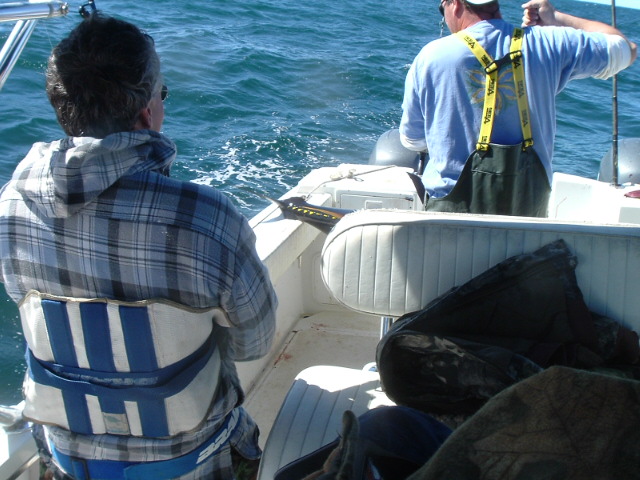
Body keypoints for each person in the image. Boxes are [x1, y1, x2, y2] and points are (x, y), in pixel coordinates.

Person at [0, 13, 277, 480]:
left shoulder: (8, 207)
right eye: (162, 94)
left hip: (69, 462)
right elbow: (255, 342)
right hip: (192, 460)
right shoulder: (208, 219)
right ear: (147, 113)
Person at [399, 0, 637, 215]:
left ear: (456, 4)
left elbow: (413, 140)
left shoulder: (430, 56)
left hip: (449, 220)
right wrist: (557, 18)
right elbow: (627, 48)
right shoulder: (550, 42)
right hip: (525, 220)